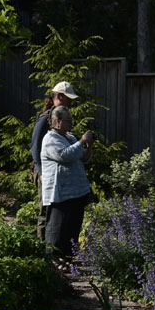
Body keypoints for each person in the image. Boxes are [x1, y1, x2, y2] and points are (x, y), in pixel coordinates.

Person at [40, 105, 95, 268]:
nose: (71, 123)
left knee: (72, 226)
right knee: (57, 228)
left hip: (76, 192)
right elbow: (64, 156)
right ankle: (54, 259)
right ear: (57, 121)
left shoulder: (69, 137)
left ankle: (66, 257)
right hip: (60, 192)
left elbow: (82, 158)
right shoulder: (50, 139)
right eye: (68, 120)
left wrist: (89, 145)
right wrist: (82, 141)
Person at [31, 81, 79, 240]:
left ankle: (53, 249)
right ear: (58, 97)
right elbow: (35, 146)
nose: (70, 102)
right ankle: (43, 249)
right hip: (45, 172)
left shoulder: (59, 116)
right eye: (68, 98)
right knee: (46, 210)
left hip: (56, 173)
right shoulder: (45, 119)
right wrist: (41, 171)